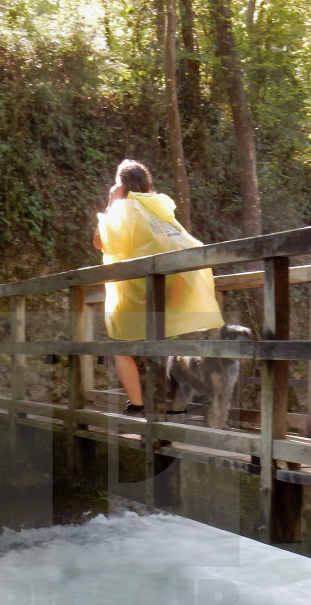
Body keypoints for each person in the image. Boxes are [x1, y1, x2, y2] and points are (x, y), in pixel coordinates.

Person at [93, 159, 224, 415]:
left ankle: (137, 405)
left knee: (121, 347)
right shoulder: (159, 209)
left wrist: (111, 203)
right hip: (171, 292)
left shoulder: (123, 209)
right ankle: (174, 407)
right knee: (166, 342)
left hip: (135, 292)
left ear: (121, 184)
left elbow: (99, 242)